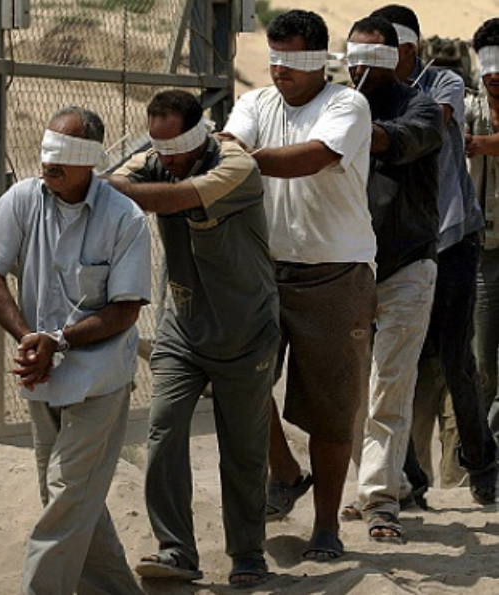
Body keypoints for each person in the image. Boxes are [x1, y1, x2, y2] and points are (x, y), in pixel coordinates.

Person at [0, 106, 150, 595]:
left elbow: (125, 311)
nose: (49, 163)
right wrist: (28, 337)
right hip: (41, 374)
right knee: (68, 497)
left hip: (97, 379)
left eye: (63, 154)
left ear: (91, 160)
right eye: (46, 151)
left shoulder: (124, 218)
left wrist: (59, 340)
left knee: (67, 493)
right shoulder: (24, 199)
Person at [221, 9, 377, 562]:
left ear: (318, 61)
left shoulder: (346, 105)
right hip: (264, 270)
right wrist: (228, 155)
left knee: (331, 409)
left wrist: (242, 161)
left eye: (292, 60)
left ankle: (326, 527)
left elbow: (314, 157)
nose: (280, 70)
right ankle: (285, 472)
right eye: (275, 58)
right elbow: (229, 144)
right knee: (239, 381)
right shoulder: (256, 103)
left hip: (335, 274)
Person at [108, 90, 279, 587]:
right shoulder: (155, 162)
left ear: (199, 134)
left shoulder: (236, 166)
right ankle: (176, 550)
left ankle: (247, 553)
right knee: (163, 433)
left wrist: (98, 186)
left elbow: (174, 198)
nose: (164, 158)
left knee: (243, 450)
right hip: (182, 329)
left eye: (174, 146)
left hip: (245, 332)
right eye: (156, 145)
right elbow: (120, 181)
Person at [369, 4, 497, 504]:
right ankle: (409, 479)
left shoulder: (441, 83)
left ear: (410, 49)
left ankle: (480, 460)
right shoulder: (364, 97)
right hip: (395, 244)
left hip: (451, 237)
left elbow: (431, 124)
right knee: (393, 364)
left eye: (394, 51)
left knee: (457, 357)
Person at [346, 15, 444, 542]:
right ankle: (383, 483)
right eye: (353, 56)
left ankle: (380, 501)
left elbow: (397, 140)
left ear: (397, 56)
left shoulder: (420, 107)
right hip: (347, 269)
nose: (361, 67)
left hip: (407, 266)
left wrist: (347, 127)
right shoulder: (338, 107)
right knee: (350, 391)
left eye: (373, 56)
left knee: (390, 386)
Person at [468, 17, 499, 484]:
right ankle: (483, 457)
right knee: (481, 364)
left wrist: (482, 144)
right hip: (480, 250)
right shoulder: (467, 107)